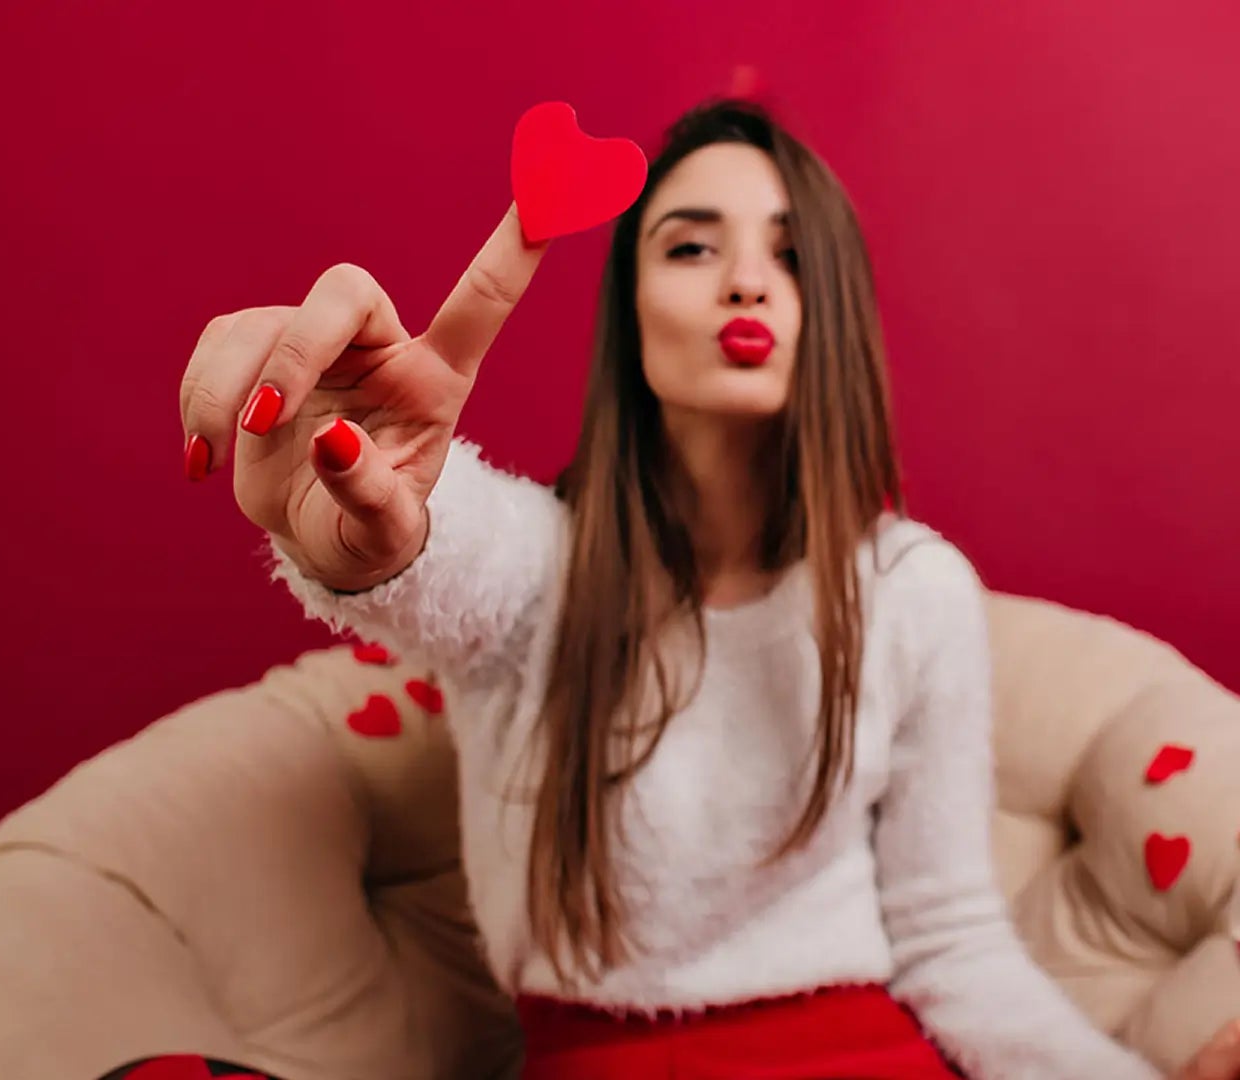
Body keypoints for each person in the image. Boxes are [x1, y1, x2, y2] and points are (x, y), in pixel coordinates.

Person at [175, 98, 1240, 1079]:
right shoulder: (544, 566)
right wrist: (368, 516)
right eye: (690, 245)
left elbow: (953, 941)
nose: (745, 280)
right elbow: (441, 550)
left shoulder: (915, 594)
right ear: (630, 313)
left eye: (790, 253)